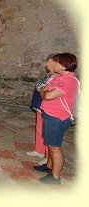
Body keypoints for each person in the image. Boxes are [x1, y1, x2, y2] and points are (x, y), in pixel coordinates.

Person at [33, 53, 78, 185]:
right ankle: (49, 167)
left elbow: (47, 95)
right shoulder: (58, 77)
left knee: (55, 147)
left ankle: (55, 177)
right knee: (49, 143)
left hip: (58, 118)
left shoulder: (69, 80)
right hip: (49, 114)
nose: (54, 64)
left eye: (57, 62)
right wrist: (45, 93)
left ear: (64, 65)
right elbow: (43, 90)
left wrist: (45, 93)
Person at [26, 54, 57, 164]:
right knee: (39, 128)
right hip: (40, 105)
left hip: (48, 107)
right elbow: (39, 87)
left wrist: (41, 89)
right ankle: (39, 150)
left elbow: (43, 89)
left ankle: (48, 157)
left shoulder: (57, 77)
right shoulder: (49, 75)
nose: (46, 64)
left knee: (47, 132)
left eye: (49, 62)